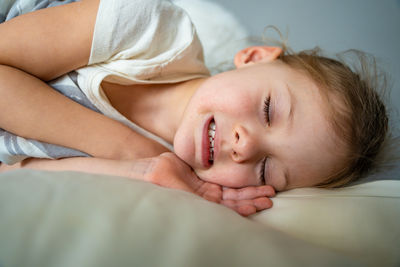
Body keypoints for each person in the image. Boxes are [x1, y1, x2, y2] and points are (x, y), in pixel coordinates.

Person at [0, 0, 389, 216]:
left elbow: (16, 170)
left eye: (266, 168)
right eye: (269, 110)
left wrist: (144, 168)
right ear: (254, 57)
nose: (245, 147)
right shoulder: (144, 27)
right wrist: (126, 148)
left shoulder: (172, 178)